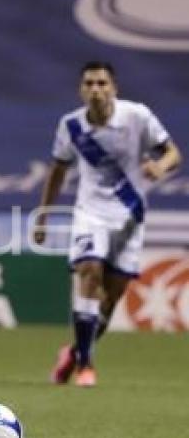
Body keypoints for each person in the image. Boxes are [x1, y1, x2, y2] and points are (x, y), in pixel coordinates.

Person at [33, 61, 182, 387]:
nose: (96, 89)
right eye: (89, 83)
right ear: (81, 89)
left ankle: (72, 352)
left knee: (110, 299)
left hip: (129, 215)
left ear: (114, 88)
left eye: (102, 83)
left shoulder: (137, 116)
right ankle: (86, 364)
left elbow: (173, 153)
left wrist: (161, 166)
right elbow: (57, 171)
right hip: (90, 213)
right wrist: (43, 214)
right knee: (89, 272)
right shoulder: (71, 126)